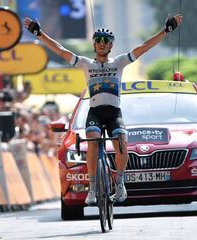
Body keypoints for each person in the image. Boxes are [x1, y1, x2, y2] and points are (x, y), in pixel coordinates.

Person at [24, 14, 183, 205]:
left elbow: (143, 48)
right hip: (95, 113)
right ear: (94, 45)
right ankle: (92, 188)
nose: (102, 43)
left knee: (121, 140)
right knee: (92, 138)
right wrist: (39, 34)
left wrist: (165, 30)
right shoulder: (85, 64)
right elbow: (60, 50)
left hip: (114, 113)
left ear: (110, 46)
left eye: (106, 41)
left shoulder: (119, 63)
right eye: (98, 40)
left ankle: (120, 182)